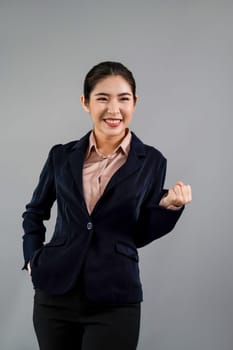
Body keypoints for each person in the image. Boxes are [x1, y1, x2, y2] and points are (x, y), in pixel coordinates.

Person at [22, 61, 192, 350]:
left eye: (123, 99)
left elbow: (136, 234)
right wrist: (31, 261)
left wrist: (168, 207)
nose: (114, 109)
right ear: (85, 103)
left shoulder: (151, 162)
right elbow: (35, 213)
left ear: (134, 102)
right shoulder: (61, 156)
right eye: (102, 98)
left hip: (115, 297)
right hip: (55, 295)